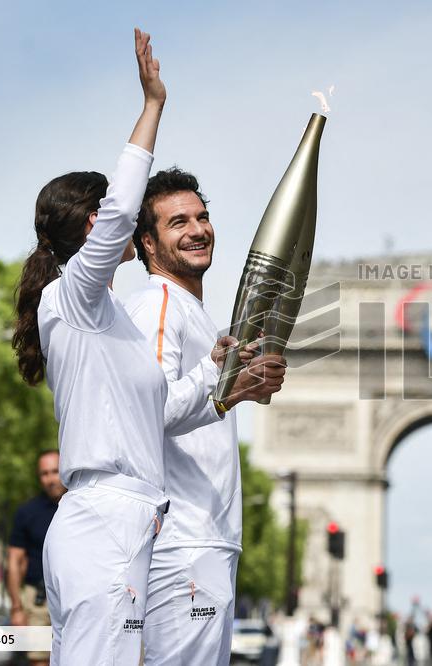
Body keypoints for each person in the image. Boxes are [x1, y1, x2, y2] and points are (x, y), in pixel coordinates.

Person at [11, 29, 230, 665]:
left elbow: (161, 409)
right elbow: (120, 211)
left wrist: (220, 373)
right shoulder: (71, 297)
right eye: (110, 213)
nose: (123, 221)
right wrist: (152, 105)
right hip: (104, 520)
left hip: (130, 523)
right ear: (92, 226)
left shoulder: (115, 320)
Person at [125, 167, 286, 665]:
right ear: (148, 244)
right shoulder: (157, 304)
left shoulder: (194, 313)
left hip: (207, 542)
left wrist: (240, 388)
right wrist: (226, 394)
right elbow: (148, 412)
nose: (197, 229)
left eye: (202, 217)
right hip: (181, 544)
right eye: (178, 222)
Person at [6, 450, 65, 666]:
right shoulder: (27, 512)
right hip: (37, 600)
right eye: (44, 474)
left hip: (74, 596)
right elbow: (14, 561)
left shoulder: (83, 506)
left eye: (55, 471)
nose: (50, 479)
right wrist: (16, 608)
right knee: (39, 660)